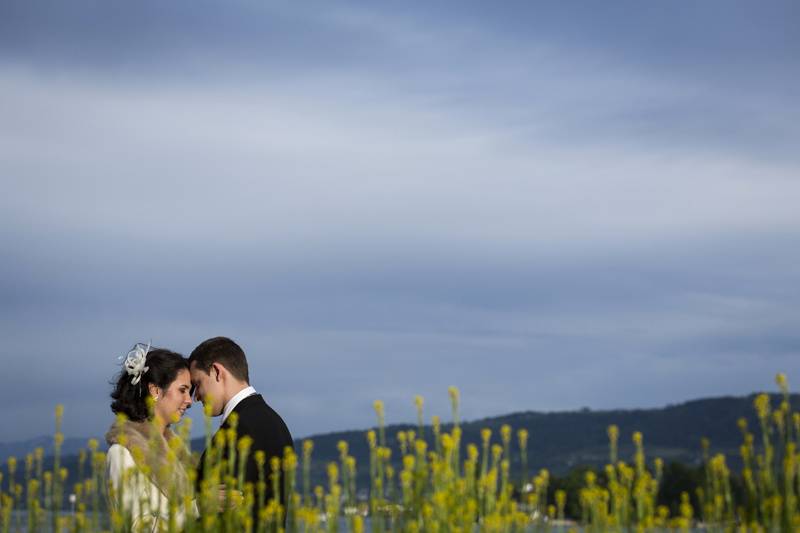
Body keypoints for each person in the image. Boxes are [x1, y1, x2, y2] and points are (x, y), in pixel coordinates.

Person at [189, 336, 294, 525]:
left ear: (217, 372)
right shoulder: (276, 423)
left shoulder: (241, 430)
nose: (195, 397)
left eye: (197, 384)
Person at [105, 343, 197, 531]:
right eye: (183, 390)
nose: (189, 401)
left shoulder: (177, 453)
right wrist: (198, 507)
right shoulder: (121, 454)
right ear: (155, 390)